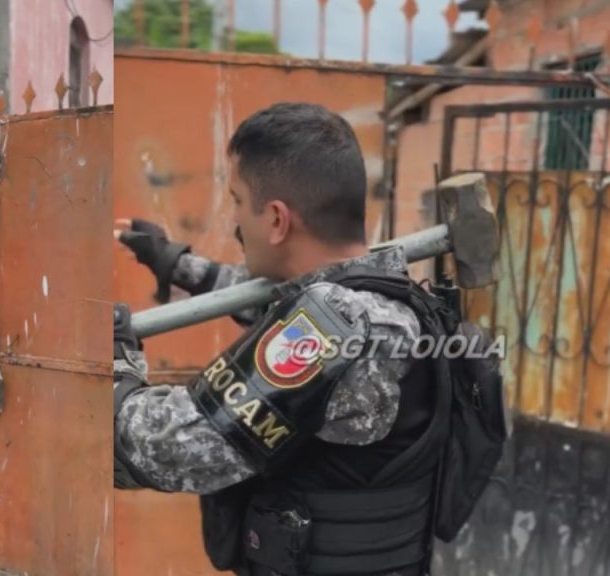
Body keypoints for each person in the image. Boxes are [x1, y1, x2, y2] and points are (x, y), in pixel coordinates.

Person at [113, 103, 459, 576]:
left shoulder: (340, 326)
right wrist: (176, 264)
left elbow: (165, 448)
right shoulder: (380, 298)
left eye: (237, 200)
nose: (236, 222)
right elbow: (276, 303)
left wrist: (116, 369)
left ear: (277, 219)